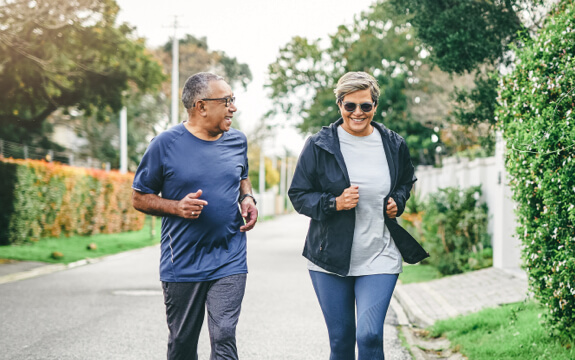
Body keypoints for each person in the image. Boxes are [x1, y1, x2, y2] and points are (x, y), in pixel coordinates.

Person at [288, 71, 428, 359]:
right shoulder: (319, 145)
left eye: (365, 105)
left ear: (375, 106)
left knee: (370, 336)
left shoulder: (393, 143)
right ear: (339, 104)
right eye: (349, 105)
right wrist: (334, 203)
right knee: (341, 342)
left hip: (379, 254)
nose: (357, 112)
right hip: (329, 258)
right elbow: (299, 195)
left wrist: (397, 202)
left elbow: (405, 181)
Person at [132, 72, 258, 360]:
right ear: (201, 106)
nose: (233, 108)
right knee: (182, 344)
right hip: (183, 261)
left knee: (224, 334)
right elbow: (139, 197)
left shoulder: (237, 140)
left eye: (233, 100)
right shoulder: (164, 144)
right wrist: (176, 207)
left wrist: (247, 197)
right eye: (227, 101)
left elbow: (243, 175)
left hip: (230, 254)